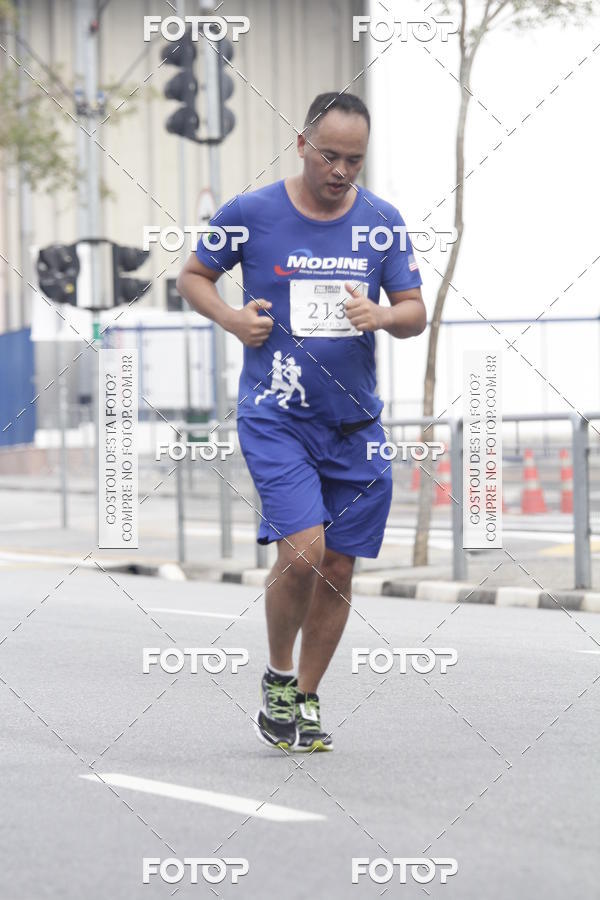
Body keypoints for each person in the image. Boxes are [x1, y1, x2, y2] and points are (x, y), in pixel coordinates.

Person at [176, 91, 426, 753]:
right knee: (304, 553)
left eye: (354, 160)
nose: (341, 171)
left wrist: (382, 315)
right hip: (277, 417)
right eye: (329, 155)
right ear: (301, 144)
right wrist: (232, 319)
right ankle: (278, 675)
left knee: (338, 567)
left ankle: (307, 698)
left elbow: (414, 311)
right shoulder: (251, 213)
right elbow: (193, 276)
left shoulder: (381, 221)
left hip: (355, 424)